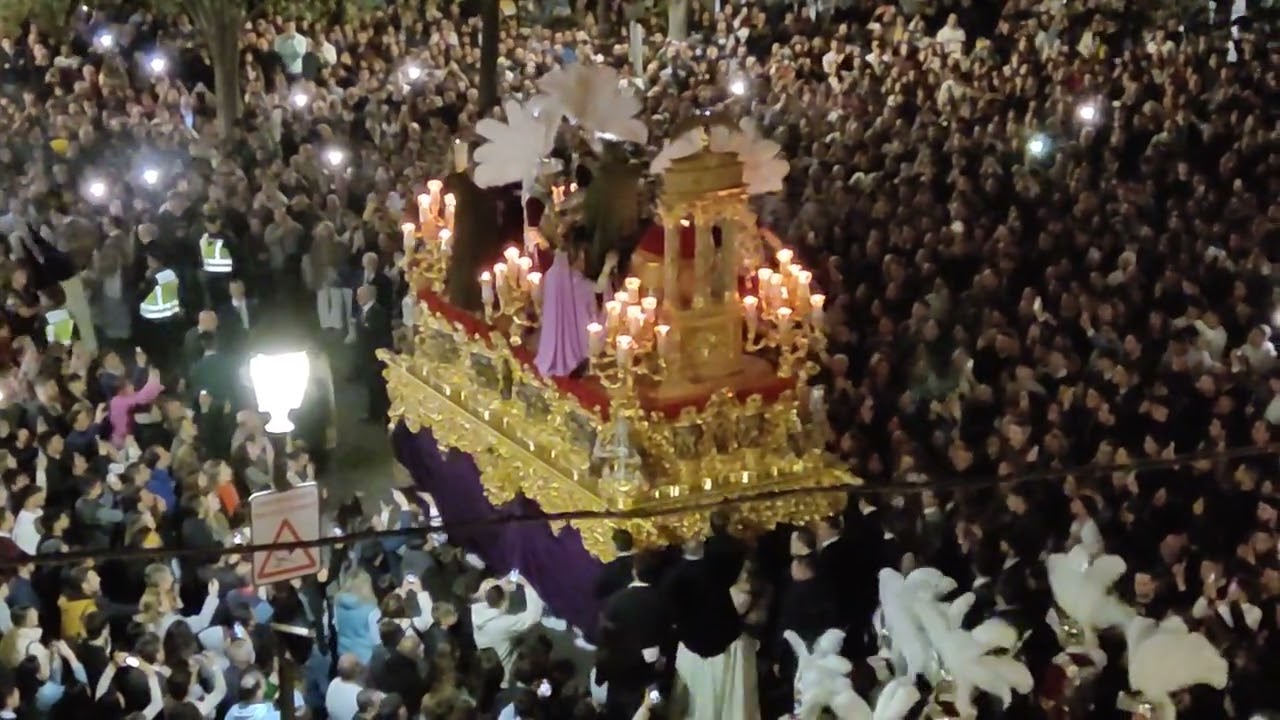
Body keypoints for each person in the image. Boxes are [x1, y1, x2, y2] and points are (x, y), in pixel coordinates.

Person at [470, 574, 545, 682]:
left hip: (491, 658)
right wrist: (528, 586)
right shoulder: (501, 624)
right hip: (502, 669)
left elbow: (491, 591)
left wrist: (506, 583)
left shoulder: (476, 613)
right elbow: (532, 617)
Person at [354, 284, 392, 423]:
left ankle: (383, 416)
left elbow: (383, 337)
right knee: (371, 387)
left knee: (378, 388)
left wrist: (380, 359)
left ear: (368, 296)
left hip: (375, 358)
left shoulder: (378, 313)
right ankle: (374, 414)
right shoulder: (363, 311)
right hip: (365, 356)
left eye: (360, 295)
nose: (357, 298)